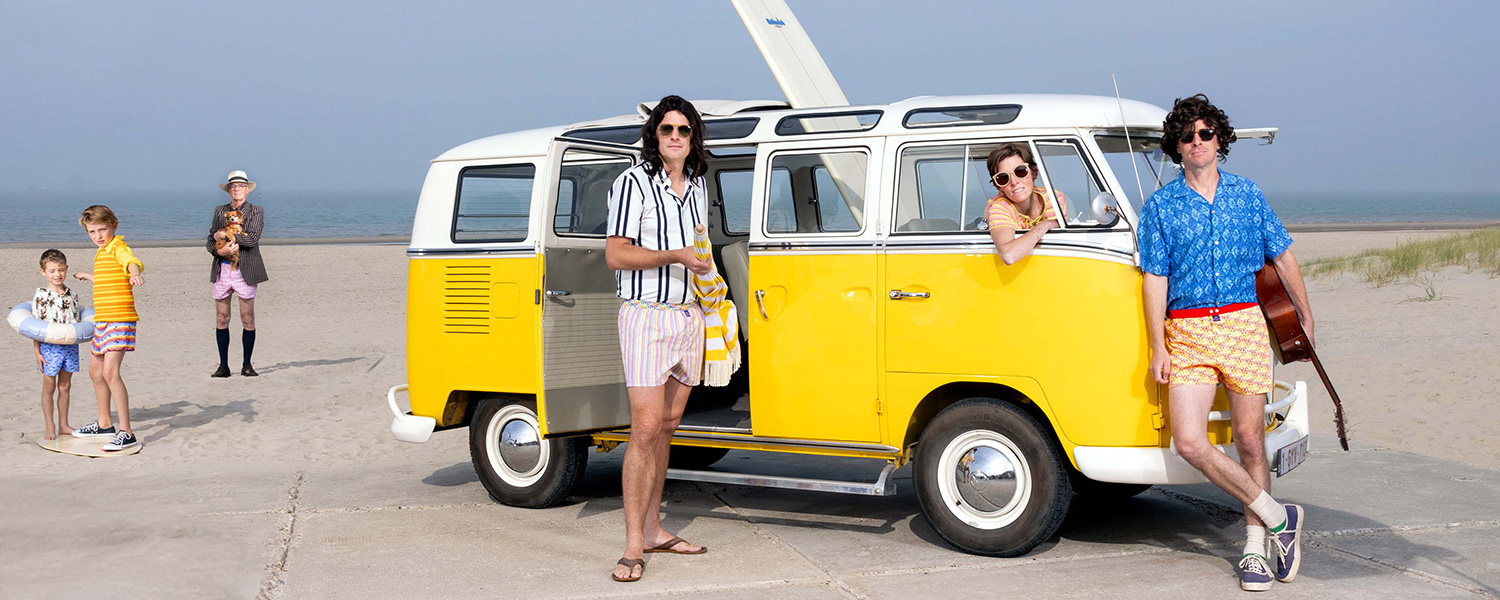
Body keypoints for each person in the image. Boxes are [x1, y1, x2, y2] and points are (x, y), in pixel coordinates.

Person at [1137, 94, 1313, 591]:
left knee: (1251, 440)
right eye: (1187, 136)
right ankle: (1279, 517)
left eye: (1205, 133)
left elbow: (1282, 255)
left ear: (1220, 139)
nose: (1197, 142)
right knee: (1189, 442)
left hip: (1243, 326)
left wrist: (1304, 312)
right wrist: (1158, 345)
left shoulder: (1248, 195)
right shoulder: (1161, 206)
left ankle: (1255, 548)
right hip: (1187, 332)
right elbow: (1154, 279)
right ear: (1176, 145)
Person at [604, 95, 712, 582]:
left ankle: (653, 528)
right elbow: (617, 255)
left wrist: (705, 277)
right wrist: (676, 256)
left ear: (693, 138)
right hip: (645, 316)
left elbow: (700, 251)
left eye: (683, 130)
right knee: (644, 429)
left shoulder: (697, 186)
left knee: (668, 426)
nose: (674, 136)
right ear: (654, 134)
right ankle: (632, 545)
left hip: (688, 317)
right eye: (667, 128)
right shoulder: (632, 183)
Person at [72, 205, 144, 452]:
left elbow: (129, 262)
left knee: (111, 373)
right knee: (95, 371)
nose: (98, 236)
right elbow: (108, 279)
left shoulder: (118, 247)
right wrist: (88, 277)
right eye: (92, 232)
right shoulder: (102, 252)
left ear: (114, 225)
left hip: (120, 319)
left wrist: (134, 273)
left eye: (102, 229)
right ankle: (104, 424)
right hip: (102, 320)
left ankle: (127, 432)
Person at [206, 170, 267, 377]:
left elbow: (252, 239)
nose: (236, 189)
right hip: (222, 268)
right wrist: (218, 249)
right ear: (228, 190)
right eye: (233, 186)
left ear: (247, 190)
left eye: (241, 186)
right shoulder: (219, 211)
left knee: (247, 317)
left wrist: (225, 234)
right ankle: (223, 365)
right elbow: (209, 240)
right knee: (221, 317)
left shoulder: (256, 211)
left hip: (245, 269)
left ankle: (247, 364)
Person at [983, 143, 1066, 264]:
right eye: (1003, 178)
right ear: (998, 186)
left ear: (1034, 172)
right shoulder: (999, 208)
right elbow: (1008, 255)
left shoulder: (1054, 198)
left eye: (1020, 171)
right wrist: (1045, 225)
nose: (1014, 182)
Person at [32, 249, 83, 441]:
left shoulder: (72, 295)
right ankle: (49, 426)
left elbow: (77, 322)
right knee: (49, 386)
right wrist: (37, 351)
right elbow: (35, 327)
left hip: (69, 347)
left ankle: (63, 424)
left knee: (65, 386)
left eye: (61, 270)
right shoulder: (41, 296)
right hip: (49, 347)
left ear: (66, 269)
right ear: (43, 272)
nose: (57, 274)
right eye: (52, 270)